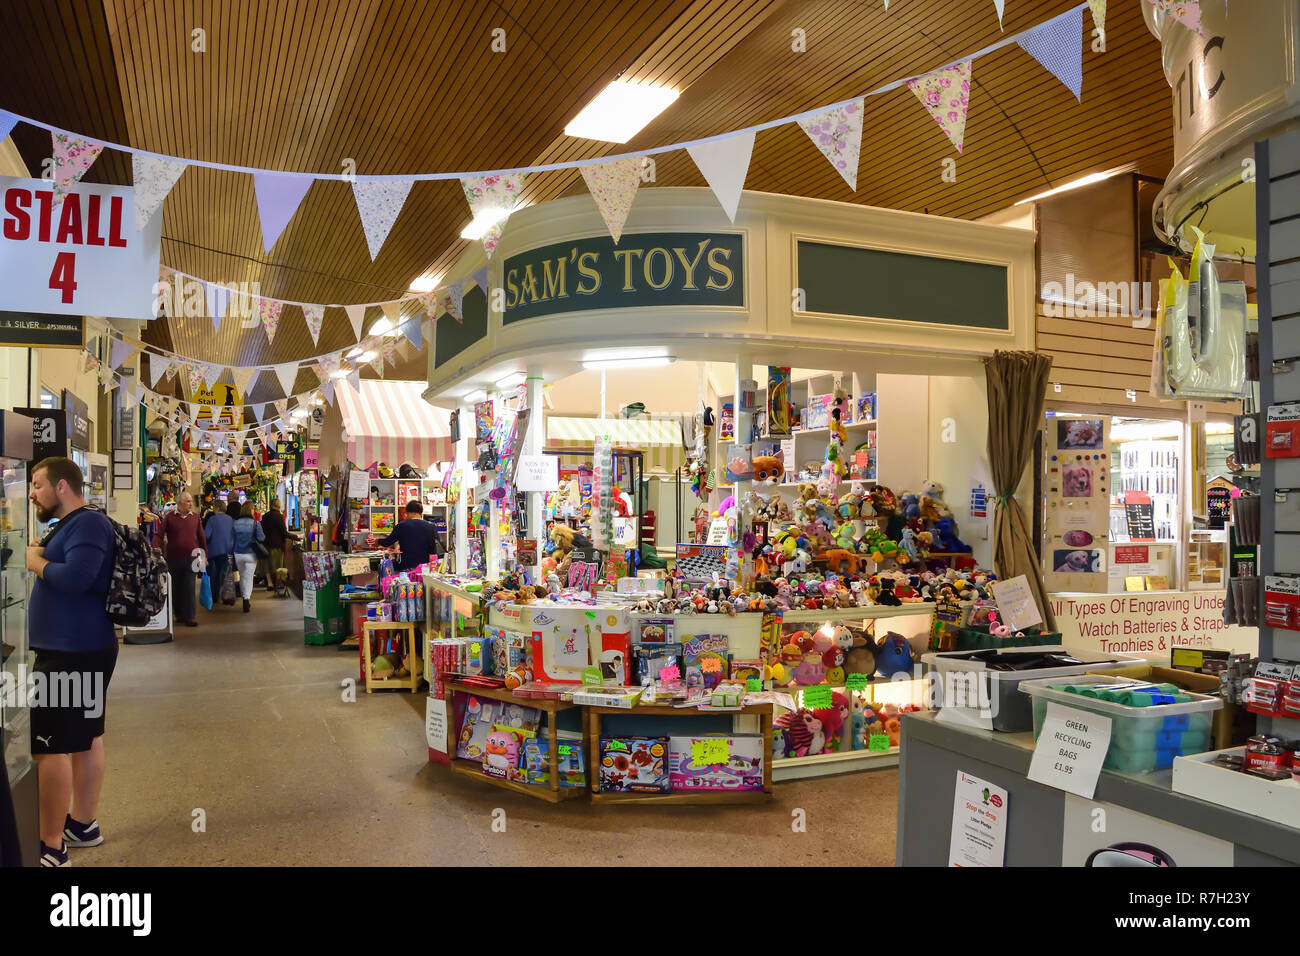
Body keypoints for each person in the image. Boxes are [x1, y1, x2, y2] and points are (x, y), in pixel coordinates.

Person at [25, 457, 117, 867]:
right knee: (84, 737)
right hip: (75, 648)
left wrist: (37, 563)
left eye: (37, 484)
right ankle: (82, 825)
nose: (31, 493)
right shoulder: (71, 525)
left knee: (51, 748)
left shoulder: (89, 523)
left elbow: (78, 577)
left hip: (71, 653)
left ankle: (51, 845)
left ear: (63, 486)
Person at [151, 491, 205, 627]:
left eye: (191, 501)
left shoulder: (196, 518)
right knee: (175, 588)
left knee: (189, 587)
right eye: (188, 501)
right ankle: (179, 614)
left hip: (193, 557)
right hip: (174, 558)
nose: (190, 504)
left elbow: (201, 538)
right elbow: (159, 534)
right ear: (180, 503)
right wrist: (154, 549)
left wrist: (204, 556)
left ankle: (190, 616)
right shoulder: (169, 518)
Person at [378, 500, 443, 573]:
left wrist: (377, 541)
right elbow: (435, 546)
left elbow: (387, 542)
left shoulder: (401, 525)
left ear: (408, 512)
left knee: (408, 584)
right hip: (426, 567)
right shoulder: (431, 526)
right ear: (420, 512)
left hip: (407, 565)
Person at [232, 502, 266, 613]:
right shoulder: (256, 523)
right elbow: (261, 538)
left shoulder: (235, 523)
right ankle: (246, 599)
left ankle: (244, 596)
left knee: (242, 576)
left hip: (238, 553)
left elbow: (231, 539)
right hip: (251, 553)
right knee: (249, 577)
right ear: (250, 510)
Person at [260, 499, 299, 592]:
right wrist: (296, 537)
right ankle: (278, 583)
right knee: (277, 566)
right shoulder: (279, 516)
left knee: (268, 564)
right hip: (276, 545)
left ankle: (270, 583)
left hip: (265, 544)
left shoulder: (265, 516)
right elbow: (284, 533)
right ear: (278, 506)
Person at [203, 504, 235, 607]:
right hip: (228, 550)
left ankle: (215, 596)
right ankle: (226, 595)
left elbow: (206, 535)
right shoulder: (230, 519)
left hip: (214, 551)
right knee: (226, 574)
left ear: (217, 508)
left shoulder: (212, 520)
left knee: (214, 575)